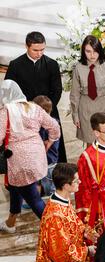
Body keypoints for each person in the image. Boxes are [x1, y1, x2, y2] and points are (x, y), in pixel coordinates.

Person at [0, 80, 60, 234]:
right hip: (37, 155)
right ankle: (11, 222)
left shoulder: (5, 111)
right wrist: (49, 143)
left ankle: (58, 231)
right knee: (15, 187)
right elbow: (54, 127)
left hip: (19, 161)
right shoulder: (34, 108)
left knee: (33, 198)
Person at [33, 163, 97, 262]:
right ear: (66, 185)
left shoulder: (62, 199)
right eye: (76, 180)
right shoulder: (55, 215)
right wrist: (87, 251)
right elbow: (62, 254)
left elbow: (72, 222)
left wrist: (86, 232)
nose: (79, 182)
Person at [5, 31, 67, 162]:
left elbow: (57, 90)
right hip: (24, 115)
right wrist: (25, 111)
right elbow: (9, 90)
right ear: (26, 46)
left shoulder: (52, 64)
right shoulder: (15, 65)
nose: (39, 53)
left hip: (48, 111)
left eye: (42, 49)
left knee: (51, 151)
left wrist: (45, 111)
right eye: (35, 50)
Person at [70, 35, 105, 145]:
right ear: (83, 51)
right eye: (88, 51)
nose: (92, 55)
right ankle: (90, 162)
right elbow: (74, 94)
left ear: (100, 51)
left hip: (104, 107)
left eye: (95, 51)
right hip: (85, 108)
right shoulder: (78, 68)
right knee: (90, 141)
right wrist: (75, 114)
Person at [33, 95, 59, 197]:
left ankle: (49, 199)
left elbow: (44, 144)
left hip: (47, 161)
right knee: (39, 181)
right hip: (49, 160)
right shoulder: (54, 121)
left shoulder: (43, 126)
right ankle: (38, 198)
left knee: (49, 184)